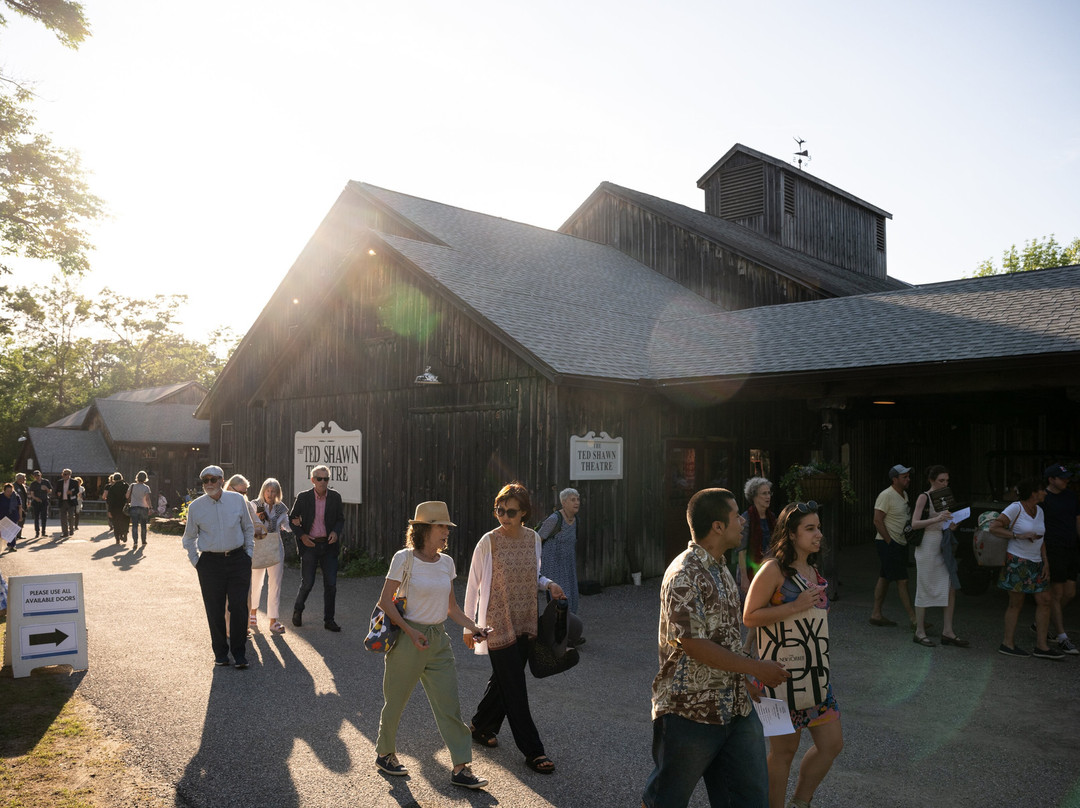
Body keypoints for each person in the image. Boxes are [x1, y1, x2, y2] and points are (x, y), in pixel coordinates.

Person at [642, 488, 789, 808]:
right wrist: (756, 668)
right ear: (718, 526)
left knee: (750, 800)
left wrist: (744, 680)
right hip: (689, 712)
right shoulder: (684, 573)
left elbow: (724, 637)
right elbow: (694, 645)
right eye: (736, 514)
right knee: (667, 799)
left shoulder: (720, 566)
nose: (742, 521)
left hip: (735, 706)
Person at [374, 501, 491, 790]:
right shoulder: (404, 559)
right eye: (441, 527)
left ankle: (461, 767)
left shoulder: (447, 563)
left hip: (438, 641)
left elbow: (451, 607)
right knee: (396, 701)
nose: (446, 532)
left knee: (449, 705)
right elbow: (385, 601)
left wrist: (474, 626)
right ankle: (385, 753)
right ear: (424, 529)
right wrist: (411, 632)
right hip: (407, 639)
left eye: (447, 528)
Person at [744, 501, 843, 808]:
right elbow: (749, 616)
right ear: (791, 533)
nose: (818, 535)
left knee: (831, 745)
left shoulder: (813, 569)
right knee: (783, 753)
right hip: (777, 679)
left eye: (819, 528)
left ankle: (800, 802)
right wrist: (795, 605)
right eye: (810, 529)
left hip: (813, 676)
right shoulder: (773, 569)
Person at [463, 482, 565, 775]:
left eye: (510, 511)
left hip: (525, 620)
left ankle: (481, 726)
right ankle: (534, 751)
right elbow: (473, 585)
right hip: (496, 623)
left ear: (524, 513)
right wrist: (469, 626)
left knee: (505, 679)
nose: (503, 516)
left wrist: (549, 584)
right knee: (515, 688)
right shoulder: (488, 542)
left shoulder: (533, 538)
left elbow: (533, 574)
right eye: (499, 510)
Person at [181, 465, 255, 669]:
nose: (209, 484)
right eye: (205, 480)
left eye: (213, 479)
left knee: (239, 607)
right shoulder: (196, 506)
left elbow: (248, 529)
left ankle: (240, 654)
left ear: (222, 480)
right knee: (214, 609)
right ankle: (221, 654)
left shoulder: (237, 500)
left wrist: (248, 554)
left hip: (238, 559)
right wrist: (197, 562)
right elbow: (188, 538)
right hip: (210, 564)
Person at [992, 479, 1063, 659]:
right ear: (1033, 492)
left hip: (1036, 562)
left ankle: (1042, 646)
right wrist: (1019, 535)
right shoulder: (1015, 508)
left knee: (1045, 600)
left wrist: (1045, 561)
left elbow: (1041, 539)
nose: (1045, 493)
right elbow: (994, 527)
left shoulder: (1039, 511)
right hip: (1017, 560)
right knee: (1016, 603)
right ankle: (1007, 643)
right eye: (1042, 490)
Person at [910, 466, 968, 648]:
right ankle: (919, 631)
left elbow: (947, 522)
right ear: (932, 480)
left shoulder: (945, 498)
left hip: (942, 544)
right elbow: (914, 523)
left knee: (950, 586)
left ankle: (948, 631)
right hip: (927, 544)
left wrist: (951, 523)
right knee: (924, 585)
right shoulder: (924, 497)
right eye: (941, 480)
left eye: (947, 481)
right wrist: (937, 519)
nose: (944, 483)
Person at [289, 465, 345, 631]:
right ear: (312, 480)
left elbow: (340, 519)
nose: (323, 482)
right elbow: (292, 518)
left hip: (328, 545)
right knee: (307, 583)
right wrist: (302, 536)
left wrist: (335, 532)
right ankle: (298, 610)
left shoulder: (335, 497)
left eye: (326, 479)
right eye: (319, 479)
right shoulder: (303, 497)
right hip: (310, 545)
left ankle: (329, 620)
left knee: (331, 584)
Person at [868, 464, 917, 630]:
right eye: (904, 477)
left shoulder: (904, 494)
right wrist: (890, 541)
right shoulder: (886, 495)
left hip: (900, 542)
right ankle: (914, 619)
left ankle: (876, 613)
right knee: (902, 580)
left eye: (908, 476)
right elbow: (877, 519)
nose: (908, 479)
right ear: (894, 479)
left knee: (885, 577)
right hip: (889, 543)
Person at [1042, 463, 1079, 655]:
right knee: (1056, 593)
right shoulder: (1043, 499)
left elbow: (1077, 520)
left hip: (1071, 548)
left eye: (1067, 477)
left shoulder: (1072, 496)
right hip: (1053, 548)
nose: (1066, 480)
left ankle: (1044, 620)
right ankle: (1062, 636)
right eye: (1062, 478)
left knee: (1070, 592)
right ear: (1051, 479)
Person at [250, 478, 289, 635]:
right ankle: (252, 612)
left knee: (275, 584)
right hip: (258, 545)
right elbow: (249, 524)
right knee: (256, 582)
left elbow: (286, 526)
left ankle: (273, 620)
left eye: (273, 491)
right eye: (268, 490)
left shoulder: (281, 508)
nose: (270, 494)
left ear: (277, 493)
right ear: (263, 491)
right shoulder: (254, 505)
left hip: (275, 546)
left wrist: (297, 523)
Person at [538, 487, 581, 616]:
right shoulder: (555, 519)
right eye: (573, 500)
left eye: (578, 499)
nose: (577, 502)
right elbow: (537, 538)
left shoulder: (576, 520)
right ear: (564, 503)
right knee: (560, 595)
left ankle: (569, 625)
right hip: (553, 563)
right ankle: (558, 627)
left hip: (568, 563)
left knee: (572, 593)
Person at [738, 476, 776, 597]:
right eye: (764, 493)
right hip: (750, 571)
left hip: (769, 570)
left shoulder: (772, 517)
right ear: (754, 496)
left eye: (769, 493)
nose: (768, 496)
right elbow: (741, 551)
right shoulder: (746, 518)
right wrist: (744, 578)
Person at [127, 471, 152, 547]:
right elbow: (147, 499)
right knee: (143, 525)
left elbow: (127, 496)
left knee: (134, 525)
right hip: (143, 508)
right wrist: (150, 508)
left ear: (137, 477)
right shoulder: (146, 487)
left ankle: (135, 542)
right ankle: (143, 541)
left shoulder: (132, 485)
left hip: (134, 507)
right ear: (145, 478)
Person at [105, 473, 130, 544]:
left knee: (116, 523)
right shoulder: (126, 485)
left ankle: (117, 539)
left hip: (115, 508)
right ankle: (125, 532)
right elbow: (128, 496)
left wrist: (109, 511)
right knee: (125, 521)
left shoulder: (112, 488)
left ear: (114, 479)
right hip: (124, 507)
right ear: (121, 478)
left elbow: (109, 500)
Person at [56, 469, 80, 538]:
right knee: (63, 518)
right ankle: (65, 532)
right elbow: (56, 491)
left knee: (71, 516)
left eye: (65, 474)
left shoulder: (74, 482)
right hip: (62, 501)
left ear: (69, 475)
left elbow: (77, 491)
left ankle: (71, 529)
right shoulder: (59, 482)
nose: (64, 476)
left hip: (71, 502)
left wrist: (71, 492)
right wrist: (58, 493)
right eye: (63, 474)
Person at [28, 469, 52, 538]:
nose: (37, 477)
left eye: (38, 475)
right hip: (36, 502)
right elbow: (32, 494)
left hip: (44, 501)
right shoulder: (33, 484)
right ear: (34, 476)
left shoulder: (46, 482)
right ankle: (37, 532)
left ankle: (43, 532)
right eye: (35, 476)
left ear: (40, 475)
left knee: (44, 517)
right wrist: (36, 498)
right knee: (36, 517)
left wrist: (46, 488)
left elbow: (50, 491)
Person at [1, 482, 22, 551]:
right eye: (7, 491)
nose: (9, 493)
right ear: (4, 490)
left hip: (13, 516)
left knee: (12, 532)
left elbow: (20, 507)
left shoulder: (16, 496)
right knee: (1, 532)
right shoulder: (0, 496)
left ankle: (11, 546)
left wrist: (20, 516)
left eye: (11, 491)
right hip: (2, 516)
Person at [13, 473, 28, 542]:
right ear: (19, 479)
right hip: (17, 506)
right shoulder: (14, 486)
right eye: (23, 478)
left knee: (22, 520)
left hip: (24, 506)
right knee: (16, 520)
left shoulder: (23, 486)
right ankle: (14, 535)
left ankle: (19, 534)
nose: (25, 480)